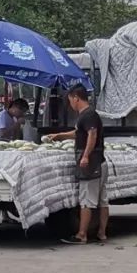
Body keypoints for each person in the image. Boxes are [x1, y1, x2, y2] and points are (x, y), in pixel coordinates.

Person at [45, 85, 108, 244]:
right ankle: (101, 233)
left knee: (86, 199)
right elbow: (79, 133)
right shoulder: (86, 116)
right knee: (102, 200)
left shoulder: (88, 115)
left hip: (92, 163)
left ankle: (81, 235)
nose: (70, 104)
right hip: (100, 161)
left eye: (70, 100)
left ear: (76, 98)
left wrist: (85, 156)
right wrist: (60, 135)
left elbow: (91, 135)